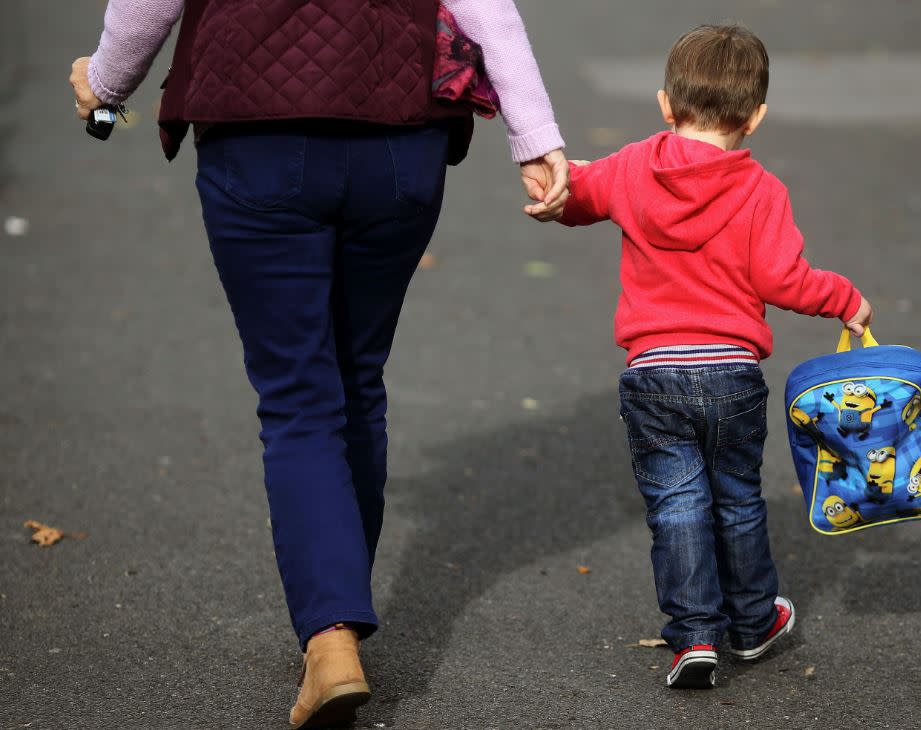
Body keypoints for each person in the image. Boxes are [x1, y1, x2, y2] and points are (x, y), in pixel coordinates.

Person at [68, 1, 568, 726]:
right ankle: (338, 622)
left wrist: (106, 82)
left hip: (258, 137)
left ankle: (330, 642)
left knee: (299, 395)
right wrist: (535, 136)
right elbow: (486, 6)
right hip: (399, 139)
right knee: (357, 379)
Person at [534, 24, 873, 689]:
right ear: (756, 117)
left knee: (677, 505)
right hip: (731, 373)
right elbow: (783, 280)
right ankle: (751, 623)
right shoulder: (761, 190)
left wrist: (556, 194)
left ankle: (693, 635)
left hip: (654, 373)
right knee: (739, 499)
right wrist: (845, 299)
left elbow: (585, 192)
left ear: (666, 104)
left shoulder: (635, 166)